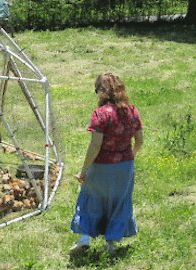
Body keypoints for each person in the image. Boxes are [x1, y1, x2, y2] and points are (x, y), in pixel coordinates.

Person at [69, 72, 144, 256]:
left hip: (101, 166)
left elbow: (95, 145)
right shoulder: (132, 111)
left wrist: (83, 171)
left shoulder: (100, 115)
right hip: (125, 168)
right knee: (119, 203)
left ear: (103, 92)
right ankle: (110, 244)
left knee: (90, 200)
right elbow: (140, 140)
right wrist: (129, 157)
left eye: (97, 90)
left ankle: (84, 239)